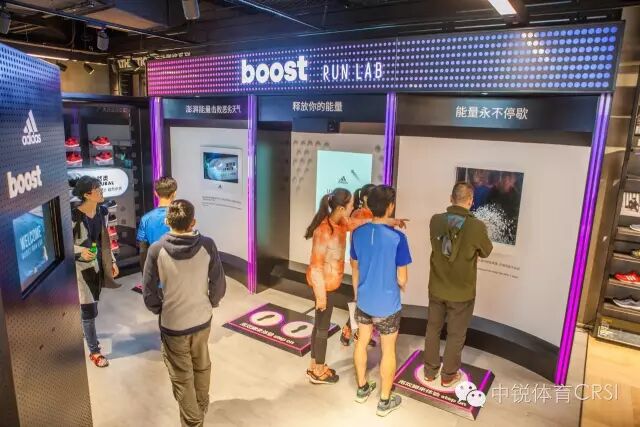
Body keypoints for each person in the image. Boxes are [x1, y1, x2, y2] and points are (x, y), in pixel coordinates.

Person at [143, 199, 226, 427]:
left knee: (181, 377)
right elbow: (219, 284)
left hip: (173, 324)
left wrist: (161, 309)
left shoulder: (156, 250)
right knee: (202, 365)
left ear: (167, 221)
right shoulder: (208, 245)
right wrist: (210, 303)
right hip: (202, 320)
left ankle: (193, 421)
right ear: (193, 222)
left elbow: (149, 293)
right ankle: (201, 407)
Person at [424, 182, 493, 387]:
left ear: (451, 198)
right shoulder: (477, 226)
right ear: (471, 201)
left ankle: (429, 372)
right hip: (462, 292)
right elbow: (486, 251)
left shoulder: (435, 220)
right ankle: (448, 376)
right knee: (455, 335)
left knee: (432, 329)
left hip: (437, 287)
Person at [351, 185, 411, 417]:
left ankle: (362, 389)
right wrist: (400, 284)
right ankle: (384, 401)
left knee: (361, 343)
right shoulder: (398, 238)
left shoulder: (358, 233)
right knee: (388, 351)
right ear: (391, 206)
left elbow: (355, 267)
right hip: (388, 305)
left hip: (363, 300)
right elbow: (402, 278)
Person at [71, 176, 120, 368]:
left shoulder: (102, 211)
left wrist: (112, 261)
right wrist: (79, 251)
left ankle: (85, 329)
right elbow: (62, 245)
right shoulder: (73, 216)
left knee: (93, 306)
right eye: (97, 189)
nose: (101, 191)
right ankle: (95, 351)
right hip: (81, 269)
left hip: (98, 265)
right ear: (86, 195)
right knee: (89, 311)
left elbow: (104, 239)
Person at [340, 183, 376, 346]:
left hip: (367, 264)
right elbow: (357, 243)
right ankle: (349, 331)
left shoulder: (364, 213)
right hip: (361, 265)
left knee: (365, 302)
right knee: (360, 300)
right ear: (366, 198)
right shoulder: (360, 215)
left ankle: (360, 334)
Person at [137, 176, 178, 270]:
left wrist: (146, 273)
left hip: (155, 266)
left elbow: (143, 250)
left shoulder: (145, 219)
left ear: (155, 193)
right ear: (174, 193)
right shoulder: (180, 216)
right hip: (177, 266)